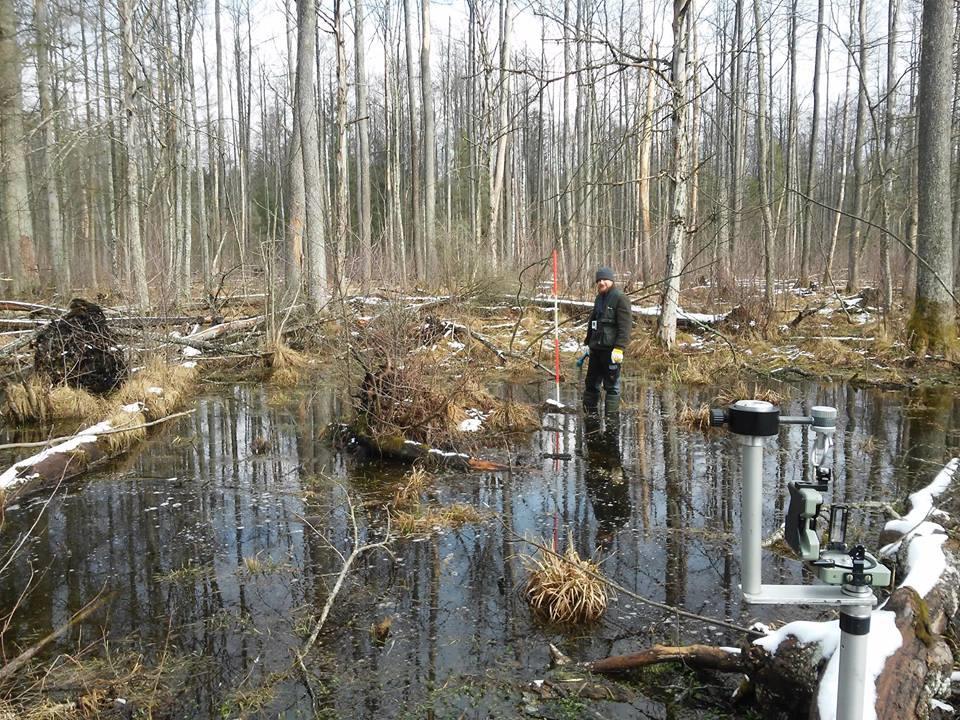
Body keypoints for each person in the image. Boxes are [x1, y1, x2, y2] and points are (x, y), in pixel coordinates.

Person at [581, 266, 632, 412]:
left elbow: (625, 326)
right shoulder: (599, 298)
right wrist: (587, 342)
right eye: (599, 280)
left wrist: (619, 348)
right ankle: (590, 418)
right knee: (591, 383)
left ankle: (611, 423)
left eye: (605, 279)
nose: (601, 282)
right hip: (596, 350)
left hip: (611, 351)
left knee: (611, 386)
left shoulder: (620, 298)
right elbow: (593, 321)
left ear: (611, 281)